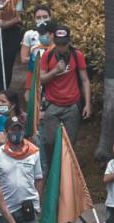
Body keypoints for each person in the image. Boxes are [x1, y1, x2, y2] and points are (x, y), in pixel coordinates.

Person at [39, 25, 92, 160]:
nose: (61, 47)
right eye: (58, 44)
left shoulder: (77, 55)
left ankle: (66, 169)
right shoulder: (47, 55)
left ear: (69, 42)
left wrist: (87, 104)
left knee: (69, 144)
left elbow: (85, 80)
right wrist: (54, 71)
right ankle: (50, 168)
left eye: (64, 44)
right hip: (52, 104)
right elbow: (41, 79)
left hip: (72, 105)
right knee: (49, 141)